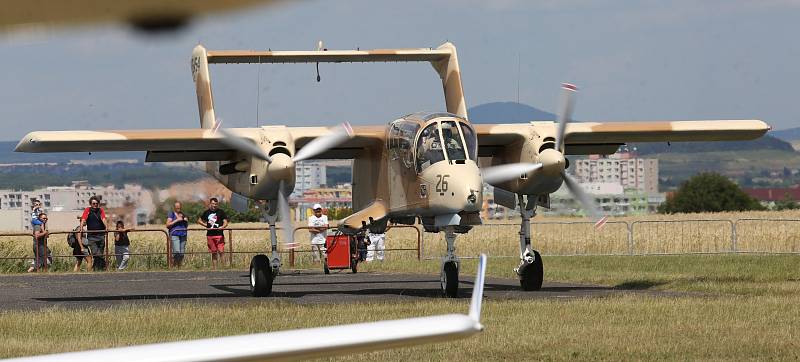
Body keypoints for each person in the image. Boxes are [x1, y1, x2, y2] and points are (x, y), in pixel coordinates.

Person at [197, 197, 228, 269]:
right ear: (210, 204)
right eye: (213, 204)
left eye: (216, 204)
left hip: (219, 235)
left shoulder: (221, 212)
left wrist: (222, 227)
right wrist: (206, 226)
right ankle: (215, 269)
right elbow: (199, 220)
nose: (214, 205)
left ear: (217, 204)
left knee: (221, 251)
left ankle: (224, 268)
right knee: (213, 252)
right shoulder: (206, 212)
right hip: (210, 235)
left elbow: (226, 222)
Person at [81, 195, 108, 271]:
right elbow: (83, 219)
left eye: (96, 203)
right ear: (90, 204)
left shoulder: (101, 210)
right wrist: (81, 228)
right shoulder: (87, 210)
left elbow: (103, 218)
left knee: (99, 254)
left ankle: (97, 269)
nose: (95, 205)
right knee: (97, 253)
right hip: (91, 237)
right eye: (93, 203)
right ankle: (104, 266)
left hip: (101, 235)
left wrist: (106, 227)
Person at [166, 201, 188, 267]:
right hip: (174, 234)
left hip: (183, 234)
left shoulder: (183, 214)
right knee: (177, 252)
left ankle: (179, 266)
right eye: (177, 207)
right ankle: (173, 265)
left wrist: (186, 220)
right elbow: (167, 225)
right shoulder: (171, 214)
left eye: (179, 207)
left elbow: (186, 225)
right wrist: (177, 220)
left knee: (182, 253)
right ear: (174, 207)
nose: (178, 208)